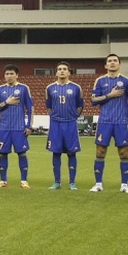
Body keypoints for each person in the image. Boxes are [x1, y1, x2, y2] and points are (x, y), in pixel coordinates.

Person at [90, 54, 128, 193]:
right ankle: (98, 184)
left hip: (121, 122)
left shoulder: (126, 81)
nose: (112, 63)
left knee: (124, 153)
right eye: (109, 61)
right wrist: (110, 95)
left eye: (115, 61)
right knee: (100, 152)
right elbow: (93, 100)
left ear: (119, 64)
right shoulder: (100, 81)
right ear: (106, 65)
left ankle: (124, 185)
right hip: (104, 122)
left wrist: (125, 112)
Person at [0, 64, 34, 189]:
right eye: (7, 74)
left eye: (11, 74)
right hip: (4, 128)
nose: (9, 76)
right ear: (4, 76)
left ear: (17, 75)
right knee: (3, 153)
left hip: (19, 128)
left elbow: (30, 108)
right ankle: (3, 180)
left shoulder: (24, 88)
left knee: (22, 153)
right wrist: (6, 102)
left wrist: (29, 125)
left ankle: (24, 181)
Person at [46, 61, 84, 190]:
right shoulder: (50, 88)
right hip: (55, 124)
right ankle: (57, 182)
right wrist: (54, 116)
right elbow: (48, 106)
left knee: (71, 153)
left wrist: (73, 116)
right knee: (56, 153)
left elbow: (80, 105)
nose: (62, 71)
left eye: (64, 69)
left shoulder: (76, 88)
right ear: (56, 73)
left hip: (70, 124)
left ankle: (72, 182)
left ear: (69, 72)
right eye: (59, 69)